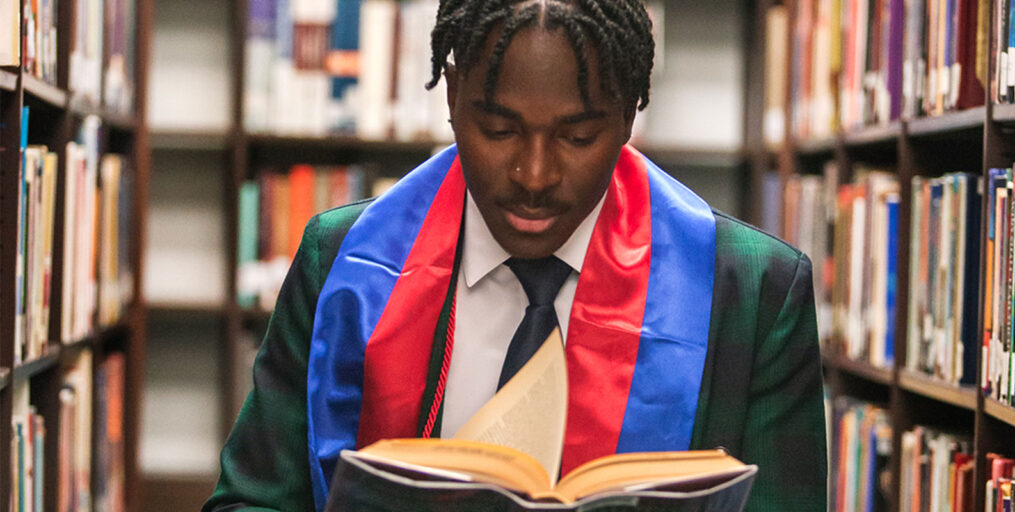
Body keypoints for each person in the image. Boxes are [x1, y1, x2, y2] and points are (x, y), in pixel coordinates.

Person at [204, 1, 827, 511]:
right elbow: (250, 501)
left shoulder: (751, 293)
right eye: (498, 131)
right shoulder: (343, 264)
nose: (534, 174)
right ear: (450, 97)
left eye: (579, 136)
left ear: (630, 114)